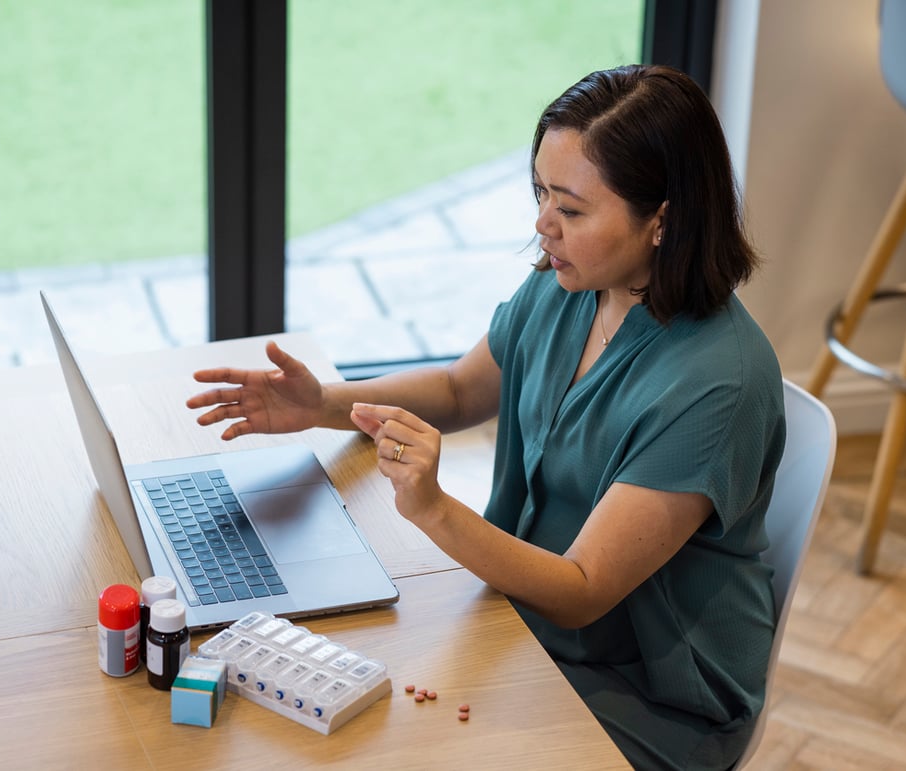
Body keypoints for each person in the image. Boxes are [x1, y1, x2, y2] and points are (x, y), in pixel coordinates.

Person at [186, 64, 785, 770]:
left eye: (572, 207)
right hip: (519, 617)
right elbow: (458, 387)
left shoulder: (717, 385)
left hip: (645, 691)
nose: (543, 225)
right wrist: (321, 403)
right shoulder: (572, 284)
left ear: (664, 219)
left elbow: (581, 591)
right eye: (540, 193)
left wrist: (434, 507)